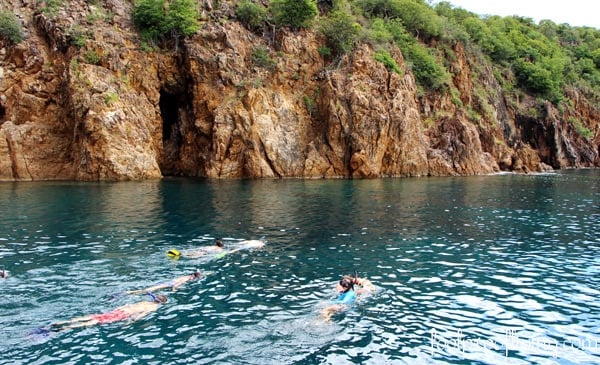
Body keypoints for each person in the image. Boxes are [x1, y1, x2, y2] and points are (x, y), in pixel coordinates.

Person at [48, 293, 167, 331]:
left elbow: (129, 305)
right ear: (161, 303)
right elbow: (140, 315)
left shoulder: (143, 301)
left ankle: (63, 322)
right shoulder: (153, 308)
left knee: (95, 316)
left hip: (121, 309)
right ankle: (65, 328)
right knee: (95, 321)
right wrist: (130, 323)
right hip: (124, 314)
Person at [125, 270, 202, 295]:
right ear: (193, 277)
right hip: (169, 284)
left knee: (152, 289)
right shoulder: (186, 279)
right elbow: (177, 284)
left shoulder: (186, 276)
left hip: (169, 282)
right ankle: (130, 292)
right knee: (149, 290)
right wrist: (174, 289)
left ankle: (132, 292)